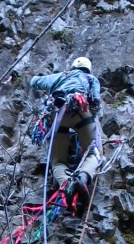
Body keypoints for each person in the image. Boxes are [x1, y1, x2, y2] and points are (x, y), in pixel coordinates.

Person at [30, 55, 102, 209]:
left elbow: (34, 81)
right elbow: (95, 101)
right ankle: (82, 178)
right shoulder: (91, 79)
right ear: (88, 69)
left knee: (57, 161)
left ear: (73, 67)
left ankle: (67, 184)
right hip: (81, 111)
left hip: (57, 115)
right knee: (94, 153)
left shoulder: (61, 76)